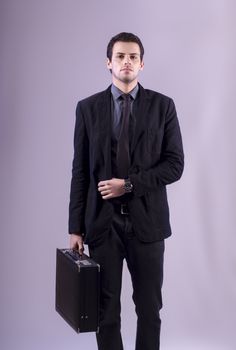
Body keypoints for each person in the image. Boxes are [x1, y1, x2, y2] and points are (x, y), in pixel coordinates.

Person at [69, 32, 184, 350]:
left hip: (147, 225)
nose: (126, 61)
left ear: (142, 64)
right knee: (104, 313)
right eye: (120, 56)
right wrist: (75, 228)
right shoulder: (87, 109)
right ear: (109, 63)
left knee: (150, 310)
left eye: (133, 56)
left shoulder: (163, 107)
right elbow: (80, 173)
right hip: (102, 226)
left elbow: (175, 165)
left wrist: (129, 185)